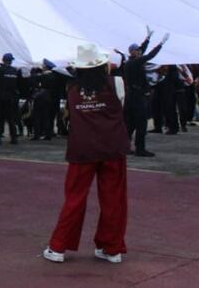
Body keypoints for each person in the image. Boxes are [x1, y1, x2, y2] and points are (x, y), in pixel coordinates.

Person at [44, 44, 129, 264]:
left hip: (82, 149)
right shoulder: (116, 83)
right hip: (112, 147)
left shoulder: (71, 88)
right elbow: (121, 107)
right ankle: (111, 248)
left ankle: (58, 247)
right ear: (102, 66)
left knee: (74, 198)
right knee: (113, 199)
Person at [112, 30, 167, 157]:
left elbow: (142, 50)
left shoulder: (130, 62)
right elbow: (149, 56)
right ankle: (140, 149)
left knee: (129, 123)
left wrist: (147, 38)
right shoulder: (135, 62)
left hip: (131, 95)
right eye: (137, 50)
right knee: (141, 123)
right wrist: (161, 44)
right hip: (137, 96)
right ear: (133, 52)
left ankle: (124, 147)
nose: (140, 51)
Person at [0, 54, 23, 145]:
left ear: (3, 60)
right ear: (11, 61)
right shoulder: (15, 71)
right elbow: (19, 84)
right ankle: (14, 138)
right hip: (11, 97)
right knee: (11, 118)